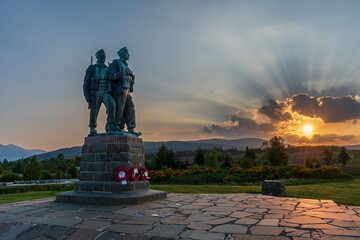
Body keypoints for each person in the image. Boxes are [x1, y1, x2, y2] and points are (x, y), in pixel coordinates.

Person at [109, 47, 141, 136]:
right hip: (119, 90)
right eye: (127, 53)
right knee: (120, 109)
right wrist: (121, 73)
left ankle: (131, 128)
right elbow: (111, 76)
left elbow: (129, 80)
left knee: (130, 108)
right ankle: (117, 126)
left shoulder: (126, 65)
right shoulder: (116, 63)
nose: (129, 55)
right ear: (123, 54)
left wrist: (132, 78)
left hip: (127, 91)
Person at [83, 49, 116, 135]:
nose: (103, 57)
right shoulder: (92, 68)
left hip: (106, 91)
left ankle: (110, 125)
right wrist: (87, 96)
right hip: (96, 91)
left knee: (112, 105)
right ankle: (92, 127)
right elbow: (86, 84)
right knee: (94, 110)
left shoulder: (108, 69)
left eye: (104, 55)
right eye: (102, 56)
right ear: (98, 57)